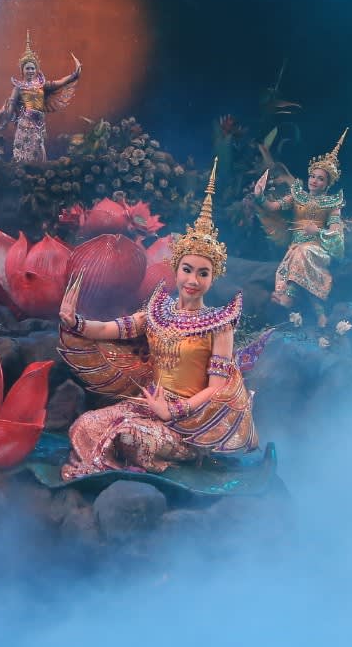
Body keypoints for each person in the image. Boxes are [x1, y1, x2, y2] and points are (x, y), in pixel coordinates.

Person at [56, 160, 260, 478]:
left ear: (212, 278)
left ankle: (126, 465)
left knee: (126, 435)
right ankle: (111, 465)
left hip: (187, 426)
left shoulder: (219, 324)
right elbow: (113, 329)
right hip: (147, 406)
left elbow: (216, 389)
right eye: (187, 270)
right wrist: (76, 323)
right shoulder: (158, 310)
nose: (193, 280)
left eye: (203, 273)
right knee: (84, 425)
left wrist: (173, 410)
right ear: (176, 269)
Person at [254, 127, 348, 324]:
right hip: (297, 247)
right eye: (313, 176)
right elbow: (273, 207)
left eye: (320, 179)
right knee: (297, 255)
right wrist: (260, 196)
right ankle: (320, 314)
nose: (314, 181)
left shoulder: (332, 204)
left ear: (327, 184)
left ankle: (289, 298)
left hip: (317, 249)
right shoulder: (297, 196)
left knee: (303, 253)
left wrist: (318, 231)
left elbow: (336, 233)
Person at [0, 31, 82, 163]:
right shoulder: (19, 87)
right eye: (27, 68)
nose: (30, 71)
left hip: (39, 123)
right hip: (25, 123)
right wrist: (4, 123)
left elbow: (59, 83)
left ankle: (37, 170)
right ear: (22, 70)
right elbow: (11, 107)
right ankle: (23, 169)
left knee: (38, 150)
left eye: (32, 68)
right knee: (24, 151)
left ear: (36, 69)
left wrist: (73, 75)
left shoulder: (42, 85)